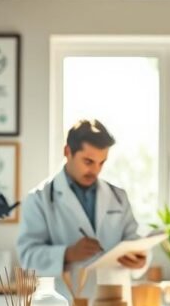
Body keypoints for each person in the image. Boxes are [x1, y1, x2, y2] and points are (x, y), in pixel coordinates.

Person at [16, 119, 150, 278]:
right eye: (88, 161)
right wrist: (68, 253)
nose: (96, 170)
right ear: (67, 151)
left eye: (102, 163)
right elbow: (27, 257)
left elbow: (134, 241)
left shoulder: (118, 197)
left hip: (114, 294)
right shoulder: (39, 199)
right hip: (66, 297)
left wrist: (141, 261)